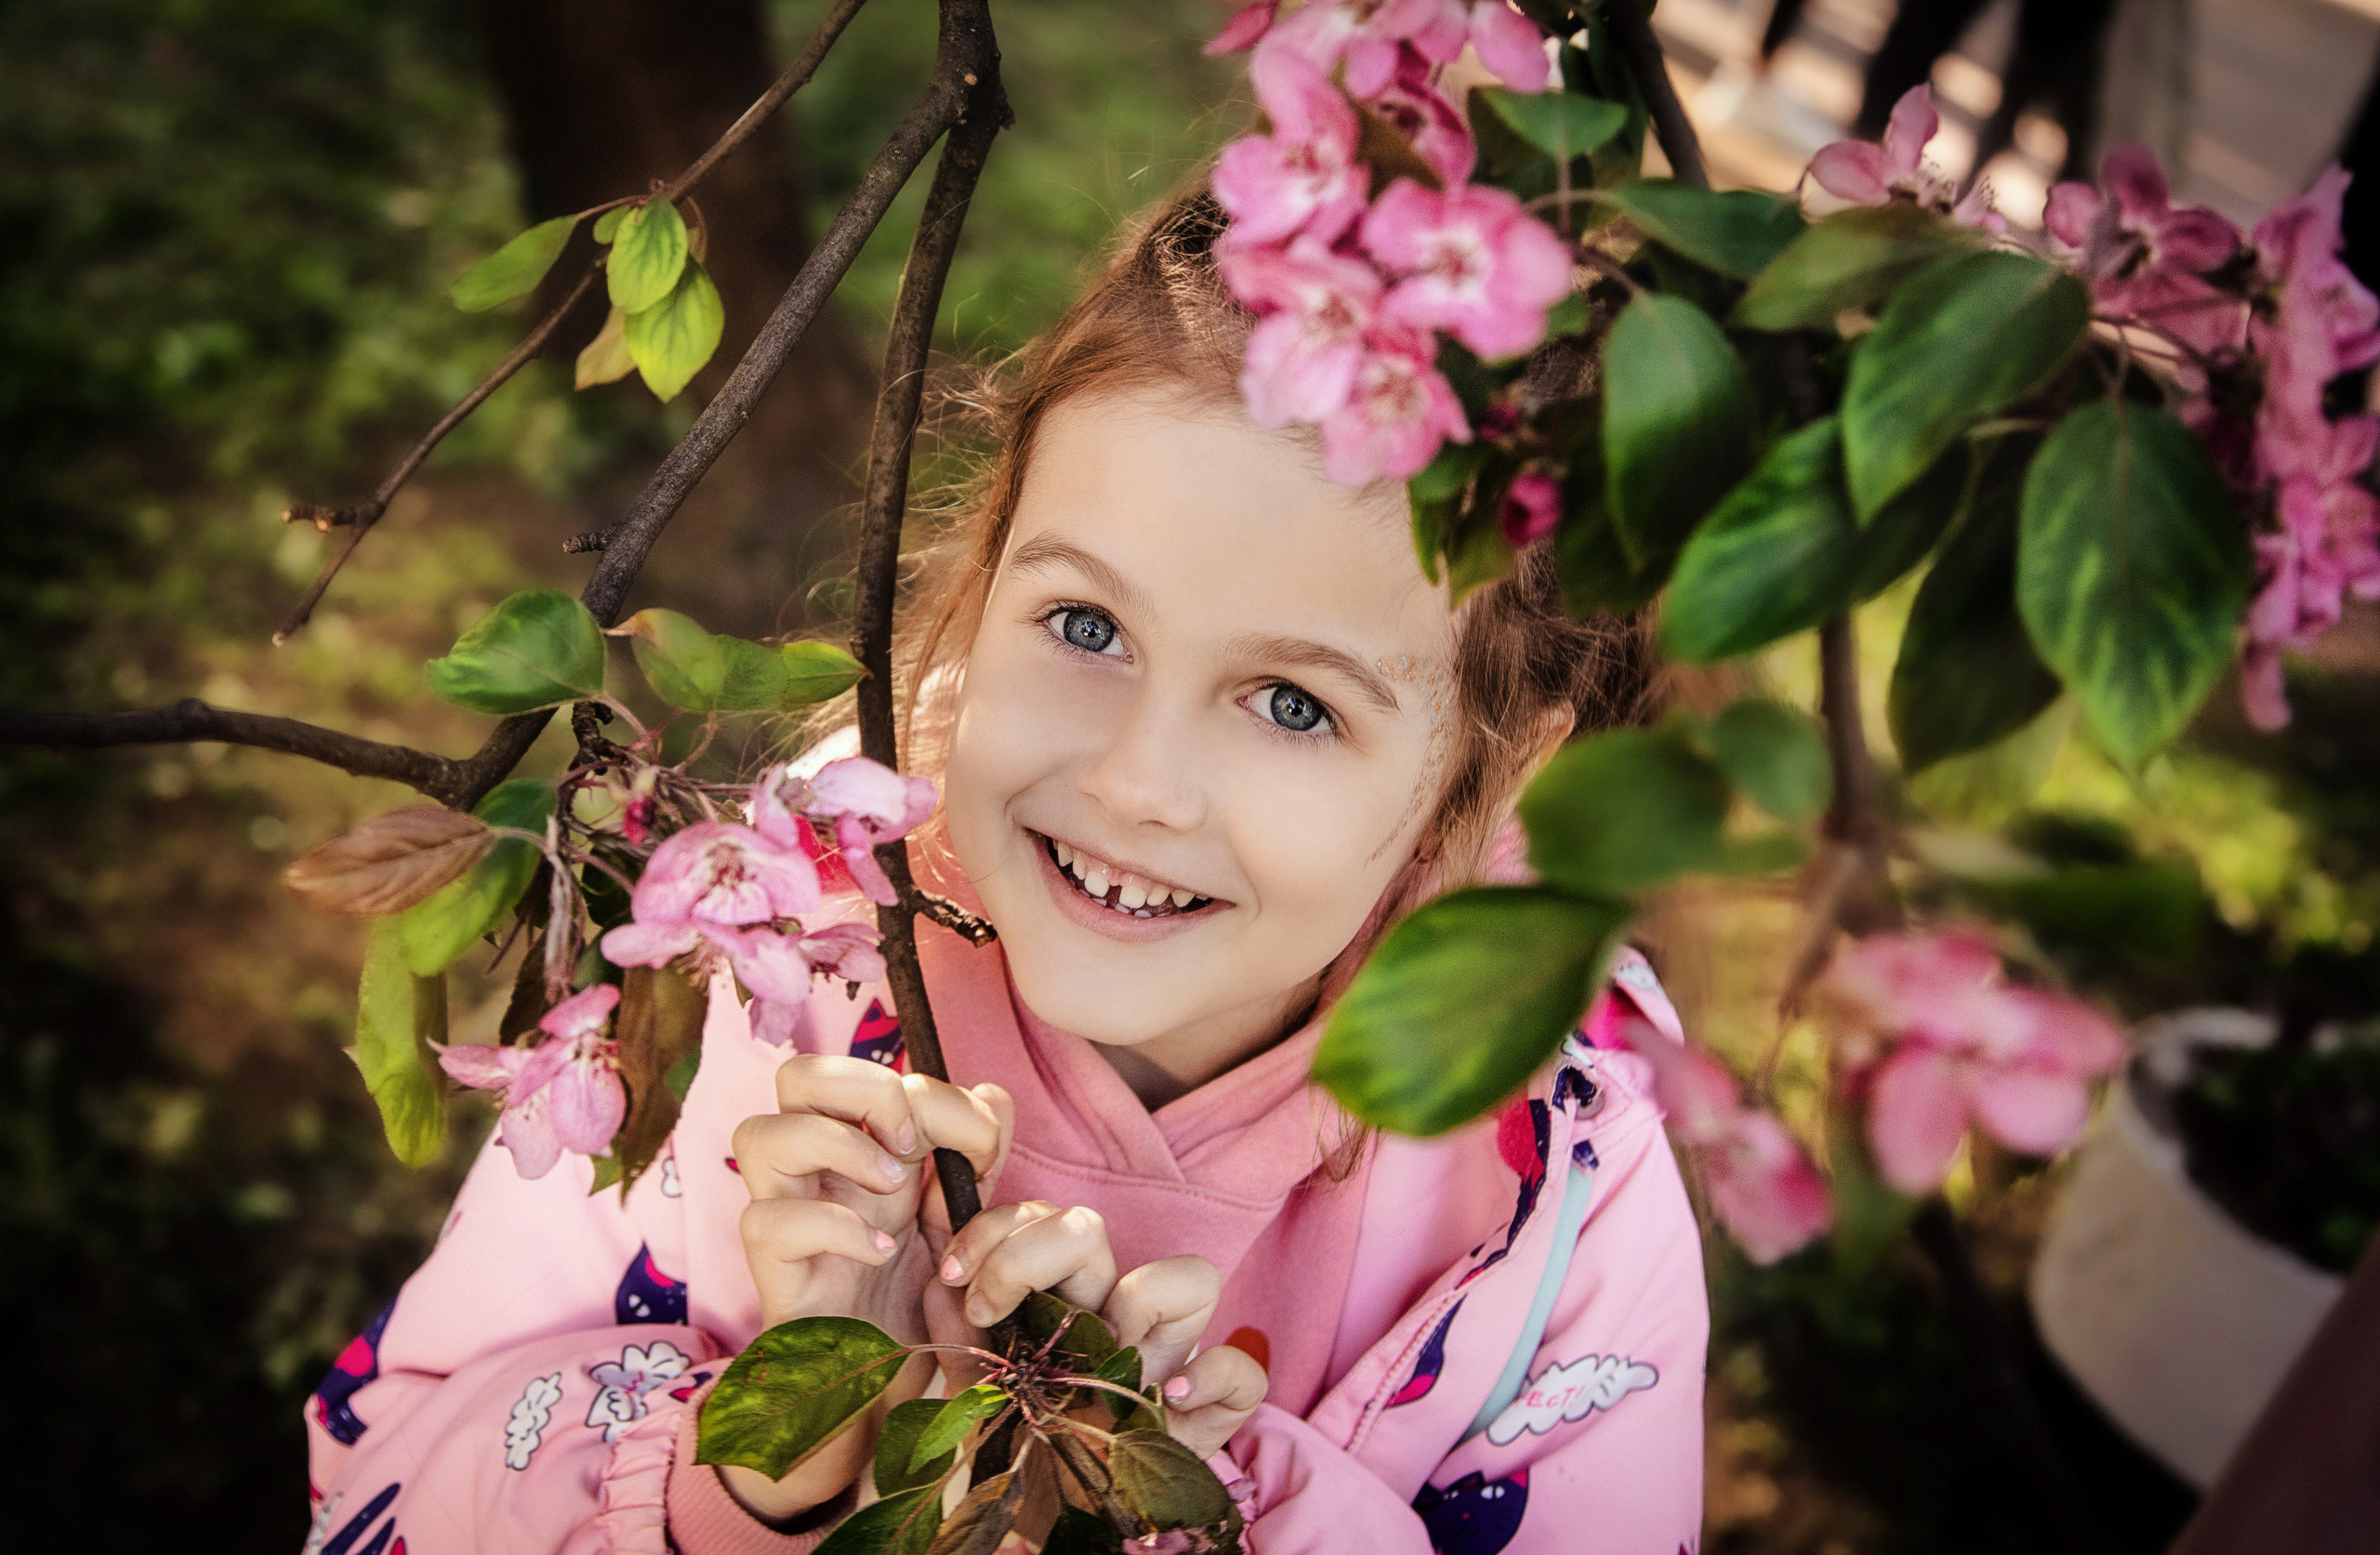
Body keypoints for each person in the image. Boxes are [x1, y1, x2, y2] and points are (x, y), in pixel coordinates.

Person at [298, 190, 1710, 1555]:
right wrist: (755, 1478)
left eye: (1293, 703)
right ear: (988, 561)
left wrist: (1204, 1503)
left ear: (1508, 761)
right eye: (1086, 624)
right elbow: (379, 1481)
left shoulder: (1557, 1182)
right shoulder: (781, 939)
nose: (1130, 781)